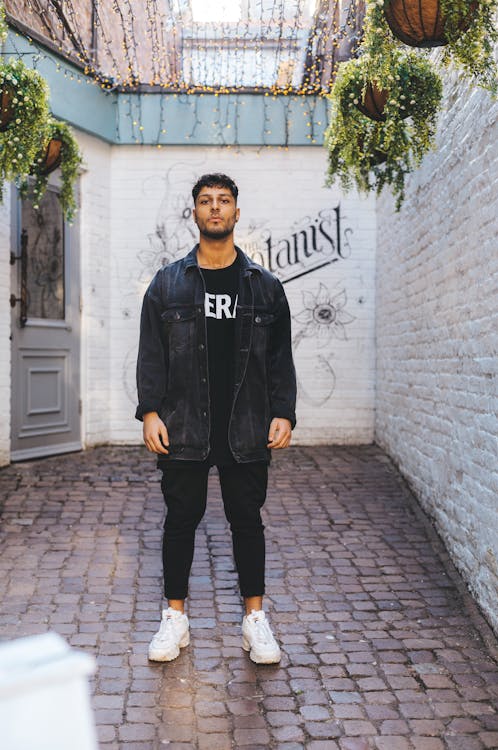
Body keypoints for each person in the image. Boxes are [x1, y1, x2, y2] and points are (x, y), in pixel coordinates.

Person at [136, 173, 296, 664]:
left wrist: (283, 412)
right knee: (181, 520)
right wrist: (150, 412)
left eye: (224, 201)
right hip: (184, 423)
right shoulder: (168, 284)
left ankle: (254, 620)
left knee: (246, 521)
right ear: (195, 213)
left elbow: (279, 358)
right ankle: (174, 619)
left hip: (246, 424)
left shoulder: (265, 287)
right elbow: (152, 355)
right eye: (205, 201)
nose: (215, 208)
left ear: (236, 213)